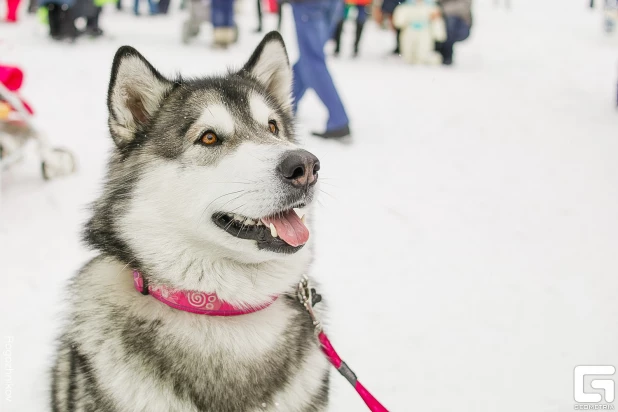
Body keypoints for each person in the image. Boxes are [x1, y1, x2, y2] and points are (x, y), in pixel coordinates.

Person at [290, 0, 351, 139]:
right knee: (309, 57)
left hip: (309, 5)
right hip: (330, 4)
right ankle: (286, 104)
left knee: (312, 60)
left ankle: (338, 120)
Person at [435, 0, 472, 65]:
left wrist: (440, 11)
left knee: (450, 22)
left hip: (459, 25)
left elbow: (462, 7)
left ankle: (446, 55)